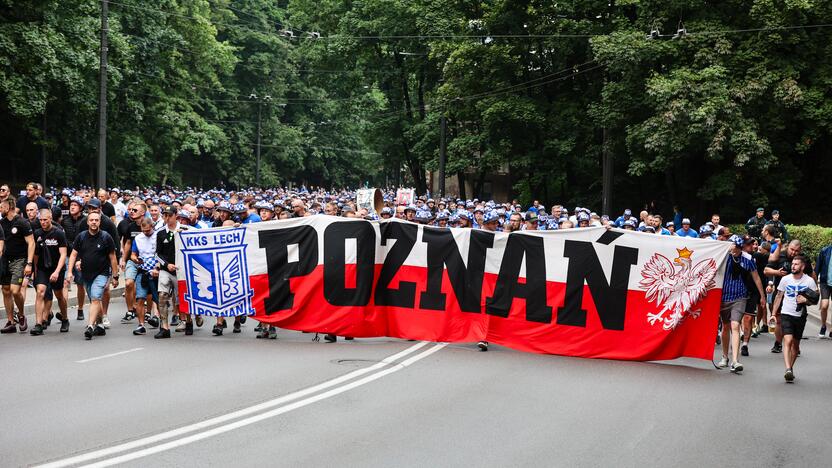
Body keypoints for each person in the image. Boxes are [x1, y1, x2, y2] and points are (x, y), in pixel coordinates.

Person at [65, 212, 119, 340]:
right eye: (91, 220)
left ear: (100, 222)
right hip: (86, 274)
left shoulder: (106, 237)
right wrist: (69, 272)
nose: (94, 222)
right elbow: (73, 254)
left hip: (102, 273)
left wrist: (115, 276)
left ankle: (90, 325)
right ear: (88, 222)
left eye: (96, 220)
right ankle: (100, 324)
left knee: (95, 298)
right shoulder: (81, 237)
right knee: (94, 299)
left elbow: (112, 257)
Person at [718, 235, 765, 374]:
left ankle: (735, 360)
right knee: (725, 326)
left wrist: (762, 295)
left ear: (741, 247)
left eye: (738, 248)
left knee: (735, 325)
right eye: (733, 248)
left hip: (740, 296)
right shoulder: (723, 257)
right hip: (724, 296)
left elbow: (756, 277)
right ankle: (724, 356)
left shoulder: (748, 259)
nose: (735, 251)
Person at [771, 255, 818, 383]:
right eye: (792, 264)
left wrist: (806, 300)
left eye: (796, 264)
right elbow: (779, 296)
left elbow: (814, 300)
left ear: (802, 266)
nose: (793, 266)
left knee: (795, 346)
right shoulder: (785, 279)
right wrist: (774, 313)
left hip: (800, 315)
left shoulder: (809, 281)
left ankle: (790, 368)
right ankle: (787, 369)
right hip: (786, 313)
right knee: (788, 340)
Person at [764, 239, 815, 353]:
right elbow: (766, 270)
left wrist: (815, 291)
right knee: (778, 320)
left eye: (796, 251)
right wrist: (777, 273)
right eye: (792, 249)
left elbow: (811, 273)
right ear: (788, 247)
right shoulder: (780, 255)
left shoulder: (803, 259)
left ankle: (795, 344)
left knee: (796, 320)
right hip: (781, 292)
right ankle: (778, 343)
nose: (793, 253)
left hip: (798, 295)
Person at [31, 209, 68, 335]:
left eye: (45, 220)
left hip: (56, 268)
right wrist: (34, 271)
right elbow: (35, 254)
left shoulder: (59, 233)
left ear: (50, 218)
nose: (43, 222)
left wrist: (57, 272)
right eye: (40, 220)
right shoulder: (37, 233)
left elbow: (63, 255)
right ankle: (38, 324)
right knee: (40, 292)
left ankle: (65, 318)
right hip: (42, 268)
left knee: (59, 295)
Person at [1, 198, 34, 334]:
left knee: (15, 290)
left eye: (2, 206)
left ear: (9, 207)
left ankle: (21, 315)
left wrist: (29, 263)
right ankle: (10, 322)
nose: (0, 208)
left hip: (19, 261)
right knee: (6, 290)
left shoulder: (22, 222)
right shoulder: (1, 223)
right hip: (4, 261)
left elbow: (31, 243)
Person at [130, 217, 160, 335]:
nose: (146, 233)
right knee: (140, 298)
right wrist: (136, 260)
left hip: (156, 270)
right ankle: (141, 324)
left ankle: (160, 320)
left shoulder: (158, 236)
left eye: (148, 231)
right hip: (143, 271)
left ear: (152, 227)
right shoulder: (138, 238)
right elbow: (133, 254)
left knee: (158, 298)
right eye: (144, 231)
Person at [815, 241, 832, 338]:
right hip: (825, 282)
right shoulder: (825, 250)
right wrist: (814, 283)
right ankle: (823, 325)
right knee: (824, 306)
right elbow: (817, 267)